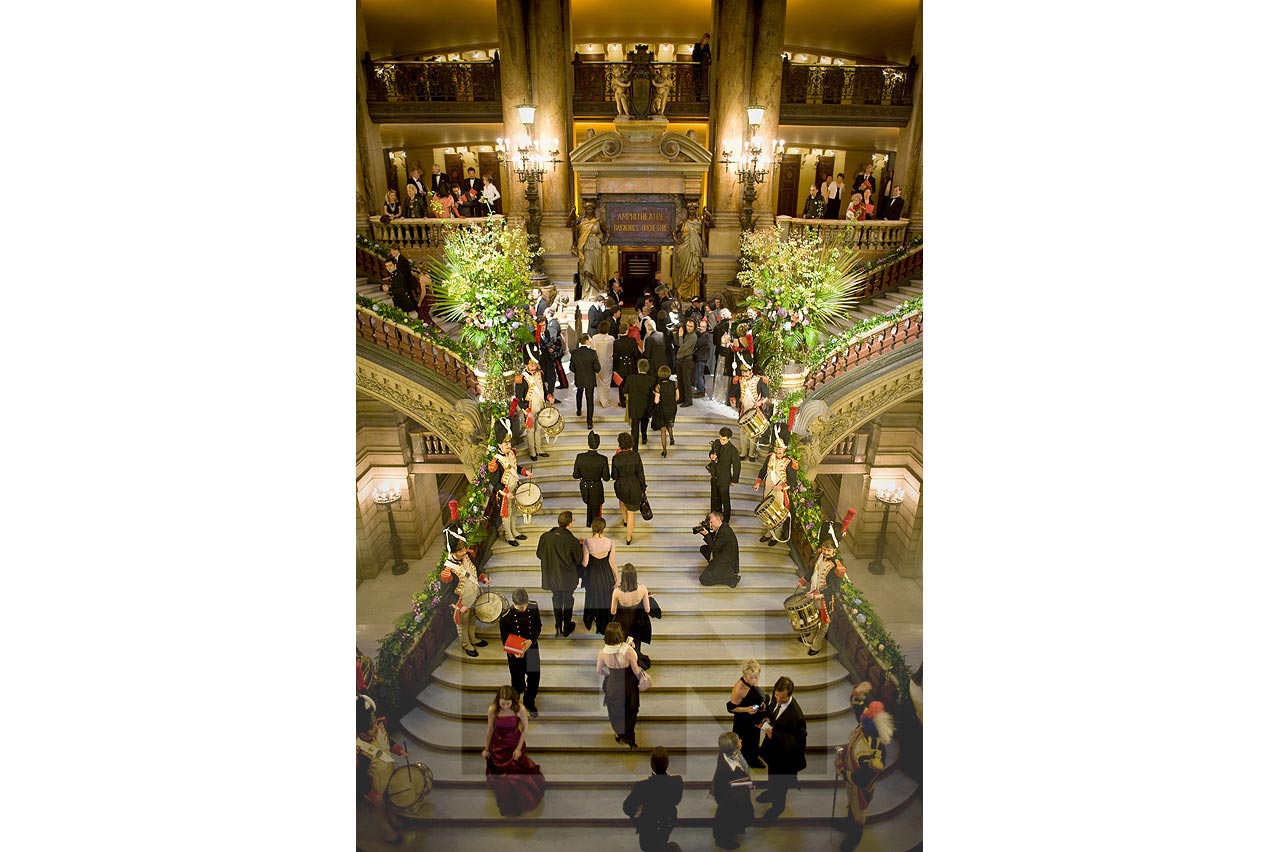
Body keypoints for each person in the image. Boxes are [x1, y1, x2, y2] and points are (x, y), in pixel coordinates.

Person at [836, 702, 895, 851]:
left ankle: (855, 835)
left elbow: (863, 779)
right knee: (850, 803)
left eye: (867, 712)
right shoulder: (862, 729)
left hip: (861, 789)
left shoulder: (877, 752)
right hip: (851, 779)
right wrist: (843, 753)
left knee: (858, 811)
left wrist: (841, 770)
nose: (864, 710)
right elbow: (852, 745)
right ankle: (848, 823)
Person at [482, 685, 547, 816]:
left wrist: (518, 748)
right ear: (498, 700)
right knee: (502, 776)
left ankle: (519, 799)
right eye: (502, 703)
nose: (505, 706)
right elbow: (490, 730)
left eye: (508, 703)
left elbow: (525, 728)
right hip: (498, 745)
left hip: (514, 744)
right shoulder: (493, 710)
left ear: (513, 701)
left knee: (516, 774)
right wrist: (486, 748)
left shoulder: (520, 709)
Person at [356, 694, 407, 845]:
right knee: (379, 810)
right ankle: (386, 831)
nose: (376, 728)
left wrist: (400, 751)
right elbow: (358, 778)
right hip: (374, 788)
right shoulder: (359, 751)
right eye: (371, 727)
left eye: (374, 724)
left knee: (389, 801)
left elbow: (387, 742)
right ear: (361, 731)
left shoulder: (379, 729)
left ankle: (392, 816)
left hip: (388, 777)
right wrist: (372, 795)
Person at [797, 517, 851, 655]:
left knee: (823, 623)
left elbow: (834, 589)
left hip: (823, 599)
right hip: (813, 592)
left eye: (829, 551)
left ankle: (816, 645)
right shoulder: (819, 556)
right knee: (814, 617)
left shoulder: (836, 568)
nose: (826, 552)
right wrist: (804, 579)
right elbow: (813, 570)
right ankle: (810, 637)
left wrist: (817, 595)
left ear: (834, 551)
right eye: (825, 549)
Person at [756, 675, 807, 820]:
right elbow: (773, 711)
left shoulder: (797, 716)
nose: (778, 700)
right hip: (774, 752)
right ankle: (771, 792)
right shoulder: (776, 696)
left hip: (786, 758)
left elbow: (798, 742)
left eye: (782, 698)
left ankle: (778, 806)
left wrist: (775, 734)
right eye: (776, 696)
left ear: (790, 694)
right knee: (772, 775)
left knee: (781, 783)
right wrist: (767, 718)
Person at [440, 518, 488, 657]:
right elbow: (446, 594)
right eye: (460, 550)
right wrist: (459, 606)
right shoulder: (448, 572)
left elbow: (475, 571)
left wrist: (483, 578)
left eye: (463, 548)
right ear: (452, 551)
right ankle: (466, 644)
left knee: (472, 620)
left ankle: (473, 638)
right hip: (461, 604)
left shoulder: (467, 557)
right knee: (463, 625)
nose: (464, 552)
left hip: (472, 597)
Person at [622, 746, 685, 852]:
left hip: (648, 827)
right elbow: (676, 800)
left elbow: (627, 807)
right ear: (667, 763)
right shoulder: (676, 782)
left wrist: (638, 819)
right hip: (667, 823)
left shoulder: (642, 787)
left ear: (651, 764)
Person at [537, 510, 581, 638]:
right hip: (568, 578)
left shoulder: (545, 537)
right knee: (568, 600)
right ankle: (567, 626)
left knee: (556, 598)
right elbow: (578, 560)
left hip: (551, 576)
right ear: (569, 524)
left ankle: (558, 624)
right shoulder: (572, 541)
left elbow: (539, 554)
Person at [498, 588, 542, 717]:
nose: (522, 609)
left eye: (524, 606)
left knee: (534, 677)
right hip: (515, 653)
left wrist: (531, 640)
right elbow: (504, 639)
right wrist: (515, 651)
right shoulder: (506, 617)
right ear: (513, 603)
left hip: (531, 648)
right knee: (518, 681)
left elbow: (538, 626)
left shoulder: (533, 607)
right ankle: (516, 702)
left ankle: (529, 702)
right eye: (519, 607)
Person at [753, 427, 798, 547]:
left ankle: (776, 535)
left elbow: (793, 482)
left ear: (784, 450)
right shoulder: (770, 457)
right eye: (776, 448)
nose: (778, 451)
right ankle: (768, 533)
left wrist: (782, 487)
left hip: (780, 493)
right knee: (767, 512)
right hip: (768, 489)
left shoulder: (790, 463)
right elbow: (763, 471)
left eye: (780, 449)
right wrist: (758, 482)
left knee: (777, 514)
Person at [487, 428, 531, 547]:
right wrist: (506, 492)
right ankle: (508, 535)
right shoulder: (495, 462)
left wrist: (524, 471)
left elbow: (514, 468)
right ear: (499, 445)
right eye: (506, 443)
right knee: (506, 515)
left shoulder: (511, 453)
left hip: (515, 487)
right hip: (505, 493)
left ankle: (514, 531)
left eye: (509, 443)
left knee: (514, 511)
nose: (508, 445)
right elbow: (495, 482)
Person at [711, 731, 754, 850]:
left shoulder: (725, 752)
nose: (741, 741)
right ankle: (724, 840)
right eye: (739, 741)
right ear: (735, 747)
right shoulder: (728, 770)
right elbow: (728, 791)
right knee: (728, 821)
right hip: (731, 800)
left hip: (734, 795)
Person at [581, 516, 620, 635]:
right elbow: (612, 562)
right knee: (606, 597)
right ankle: (605, 622)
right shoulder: (610, 542)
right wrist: (617, 577)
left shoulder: (587, 542)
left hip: (592, 574)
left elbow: (585, 562)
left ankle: (590, 618)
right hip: (605, 573)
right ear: (604, 528)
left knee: (592, 596)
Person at [726, 660, 768, 769]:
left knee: (754, 740)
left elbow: (755, 692)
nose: (754, 680)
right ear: (745, 675)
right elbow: (731, 708)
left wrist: (761, 702)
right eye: (751, 678)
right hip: (743, 721)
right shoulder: (739, 688)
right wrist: (746, 709)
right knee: (742, 744)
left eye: (756, 677)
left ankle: (753, 759)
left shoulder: (752, 681)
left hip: (754, 717)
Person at [729, 353, 770, 462]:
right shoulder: (739, 380)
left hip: (755, 410)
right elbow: (734, 392)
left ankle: (751, 452)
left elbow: (766, 395)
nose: (745, 374)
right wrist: (733, 399)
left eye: (747, 371)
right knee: (743, 432)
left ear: (751, 371)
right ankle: (743, 451)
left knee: (753, 432)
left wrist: (760, 403)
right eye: (743, 372)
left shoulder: (759, 380)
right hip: (743, 409)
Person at [610, 563, 653, 669]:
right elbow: (647, 609)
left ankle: (623, 661)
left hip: (622, 620)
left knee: (623, 642)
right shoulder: (643, 589)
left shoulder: (617, 592)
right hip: (637, 620)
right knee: (635, 642)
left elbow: (613, 611)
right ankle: (635, 659)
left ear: (623, 577)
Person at [514, 358, 554, 460]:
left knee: (539, 428)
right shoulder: (521, 378)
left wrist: (548, 396)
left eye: (535, 365)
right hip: (529, 408)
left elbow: (543, 390)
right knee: (531, 430)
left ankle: (539, 449)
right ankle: (532, 452)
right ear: (526, 365)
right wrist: (527, 411)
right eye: (531, 365)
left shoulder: (540, 374)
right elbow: (518, 398)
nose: (533, 368)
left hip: (540, 406)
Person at [611, 431, 647, 545]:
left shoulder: (616, 458)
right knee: (632, 512)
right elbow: (641, 474)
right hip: (634, 487)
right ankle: (628, 537)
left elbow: (614, 476)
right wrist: (643, 487)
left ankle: (625, 520)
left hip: (622, 487)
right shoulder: (636, 456)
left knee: (622, 501)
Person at [573, 430, 611, 524]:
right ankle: (595, 527)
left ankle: (588, 523)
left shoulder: (580, 457)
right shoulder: (602, 459)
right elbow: (606, 478)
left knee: (589, 505)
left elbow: (576, 475)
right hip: (596, 487)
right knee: (596, 510)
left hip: (585, 486)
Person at [673, 201, 707, 302]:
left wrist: (709, 216)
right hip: (685, 249)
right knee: (686, 272)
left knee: (695, 272)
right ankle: (685, 295)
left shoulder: (700, 222)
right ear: (687, 211)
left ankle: (690, 294)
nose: (691, 211)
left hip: (696, 250)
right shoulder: (683, 222)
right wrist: (678, 242)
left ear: (695, 210)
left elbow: (711, 225)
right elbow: (674, 232)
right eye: (689, 209)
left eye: (693, 209)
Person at [573, 202, 608, 297]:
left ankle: (596, 293)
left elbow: (607, 233)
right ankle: (599, 289)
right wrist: (572, 212)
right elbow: (570, 226)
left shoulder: (598, 221)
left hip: (596, 247)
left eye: (591, 209)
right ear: (585, 210)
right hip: (585, 246)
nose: (589, 211)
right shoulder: (581, 221)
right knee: (587, 271)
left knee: (596, 271)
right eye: (587, 209)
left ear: (593, 210)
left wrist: (604, 242)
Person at [697, 511, 740, 588]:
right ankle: (713, 567)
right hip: (722, 555)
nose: (710, 525)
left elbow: (715, 548)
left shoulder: (725, 531)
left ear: (718, 520)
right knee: (704, 549)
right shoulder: (722, 527)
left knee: (703, 579)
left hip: (726, 563)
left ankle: (730, 579)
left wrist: (706, 535)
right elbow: (715, 541)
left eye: (711, 522)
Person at [622, 358, 657, 451]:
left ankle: (635, 449)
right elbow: (652, 396)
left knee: (634, 429)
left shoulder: (631, 378)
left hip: (634, 407)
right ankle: (644, 437)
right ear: (648, 368)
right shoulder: (652, 380)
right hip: (646, 407)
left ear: (638, 368)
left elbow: (624, 390)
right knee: (644, 423)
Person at [708, 426, 742, 521]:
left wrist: (734, 480)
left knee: (725, 500)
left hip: (724, 478)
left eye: (724, 439)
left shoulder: (733, 450)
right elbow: (711, 451)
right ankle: (713, 517)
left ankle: (726, 520)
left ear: (729, 439)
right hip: (715, 475)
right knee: (714, 498)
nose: (721, 441)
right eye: (720, 438)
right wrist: (711, 455)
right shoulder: (717, 443)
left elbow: (737, 466)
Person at [570, 331, 601, 428]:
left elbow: (571, 367)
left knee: (579, 393)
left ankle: (579, 410)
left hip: (579, 377)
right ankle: (589, 422)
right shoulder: (592, 353)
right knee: (589, 399)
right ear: (587, 341)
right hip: (590, 378)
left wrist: (578, 372)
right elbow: (597, 368)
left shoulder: (575, 353)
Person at [651, 364, 679, 458]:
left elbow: (656, 401)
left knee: (663, 429)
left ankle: (664, 450)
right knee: (669, 423)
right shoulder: (674, 383)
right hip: (672, 407)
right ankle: (671, 438)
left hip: (663, 408)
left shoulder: (659, 386)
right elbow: (677, 397)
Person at [541, 306, 570, 391]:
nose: (544, 314)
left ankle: (564, 383)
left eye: (545, 312)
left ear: (549, 314)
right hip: (555, 349)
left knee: (558, 367)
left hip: (555, 350)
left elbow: (553, 338)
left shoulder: (553, 324)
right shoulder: (551, 322)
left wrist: (549, 347)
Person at [614, 320, 640, 407]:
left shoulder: (616, 342)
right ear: (627, 330)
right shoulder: (632, 341)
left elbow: (615, 356)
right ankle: (631, 402)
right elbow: (636, 354)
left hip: (621, 365)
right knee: (631, 385)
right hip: (631, 365)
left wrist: (614, 369)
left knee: (621, 385)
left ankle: (623, 402)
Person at [591, 320, 615, 412]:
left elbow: (593, 350)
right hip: (608, 362)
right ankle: (605, 400)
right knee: (607, 382)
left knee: (599, 381)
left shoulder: (594, 338)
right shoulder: (611, 338)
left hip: (598, 361)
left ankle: (601, 399)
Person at [674, 317, 697, 410]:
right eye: (687, 326)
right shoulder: (686, 334)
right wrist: (676, 334)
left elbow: (682, 347)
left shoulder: (693, 336)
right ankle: (681, 398)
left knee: (686, 381)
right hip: (680, 359)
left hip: (687, 360)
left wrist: (680, 336)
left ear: (694, 327)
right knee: (680, 380)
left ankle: (688, 400)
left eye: (691, 326)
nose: (688, 328)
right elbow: (677, 343)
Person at [693, 317, 713, 398]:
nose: (701, 328)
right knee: (699, 374)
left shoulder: (707, 336)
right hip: (699, 357)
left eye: (703, 327)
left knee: (699, 375)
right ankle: (700, 389)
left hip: (702, 358)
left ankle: (701, 391)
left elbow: (698, 343)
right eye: (700, 326)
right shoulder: (699, 334)